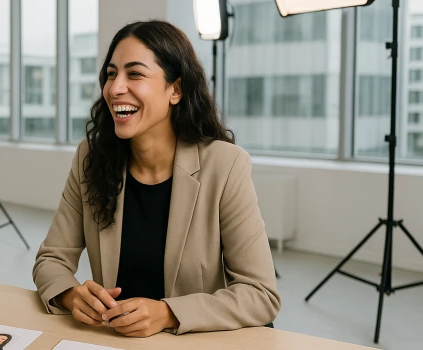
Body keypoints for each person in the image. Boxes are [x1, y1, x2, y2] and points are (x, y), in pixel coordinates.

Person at [32, 20, 281, 337]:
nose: (115, 88)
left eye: (135, 74)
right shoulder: (91, 158)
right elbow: (51, 259)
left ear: (175, 89)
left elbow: (260, 294)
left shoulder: (225, 165)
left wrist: (168, 314)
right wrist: (70, 294)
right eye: (111, 74)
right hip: (114, 340)